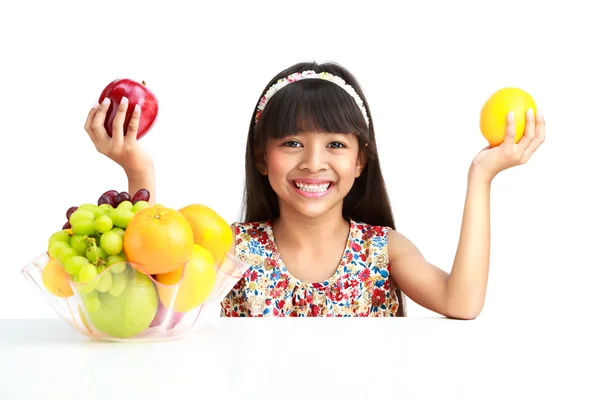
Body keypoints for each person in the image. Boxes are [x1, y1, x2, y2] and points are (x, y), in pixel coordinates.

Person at [84, 61, 545, 318]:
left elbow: (461, 304)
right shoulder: (232, 248)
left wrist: (481, 175)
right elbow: (154, 310)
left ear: (361, 159)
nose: (313, 161)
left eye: (336, 144)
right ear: (263, 157)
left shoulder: (384, 250)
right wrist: (138, 174)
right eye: (291, 142)